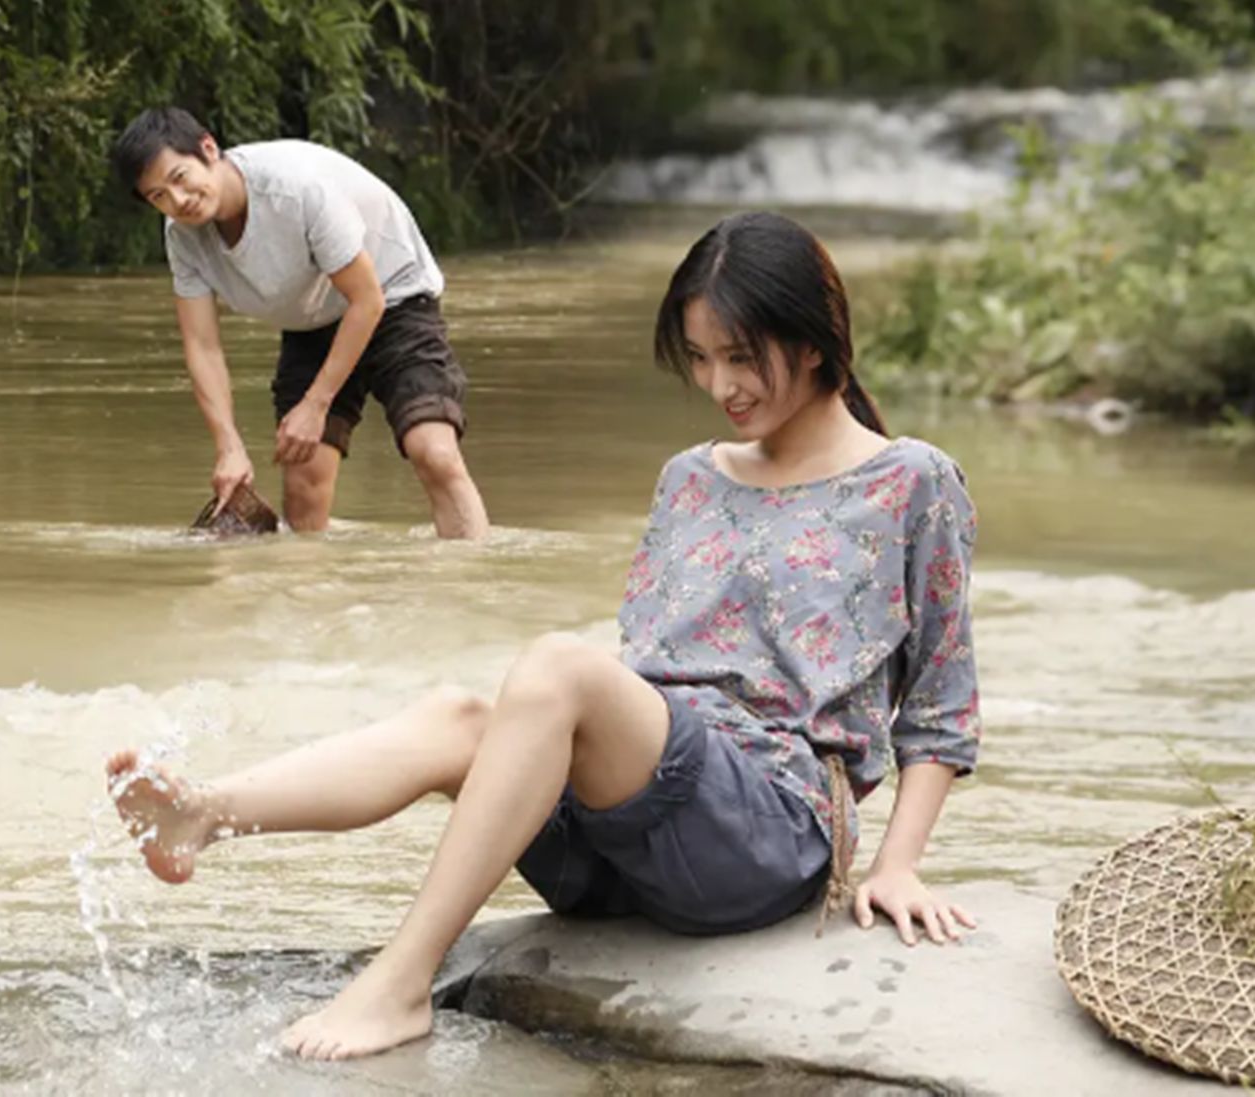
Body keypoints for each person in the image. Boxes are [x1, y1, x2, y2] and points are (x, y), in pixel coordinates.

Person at [104, 211, 983, 1060]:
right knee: (459, 717)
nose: (722, 386)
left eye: (743, 358)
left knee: (561, 667)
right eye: (703, 359)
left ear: (817, 336)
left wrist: (896, 865)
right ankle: (202, 817)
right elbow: (652, 678)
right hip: (631, 838)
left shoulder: (910, 482)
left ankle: (400, 983)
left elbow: (939, 706)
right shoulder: (689, 476)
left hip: (767, 833)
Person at [110, 108, 490, 539]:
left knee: (434, 452)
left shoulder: (297, 189)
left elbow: (367, 300)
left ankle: (472, 589)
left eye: (180, 178)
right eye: (159, 196)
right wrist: (229, 447)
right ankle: (308, 598)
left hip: (393, 297)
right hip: (311, 320)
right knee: (303, 484)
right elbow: (202, 346)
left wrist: (316, 404)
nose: (178, 202)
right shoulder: (182, 236)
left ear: (208, 149)